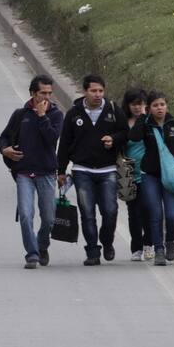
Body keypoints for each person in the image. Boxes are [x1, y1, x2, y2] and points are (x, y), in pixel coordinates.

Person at [56, 73, 127, 265]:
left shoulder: (113, 110)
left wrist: (114, 139)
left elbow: (125, 133)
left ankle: (107, 241)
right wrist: (61, 171)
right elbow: (64, 143)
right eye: (93, 91)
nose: (98, 94)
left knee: (110, 210)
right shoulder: (74, 113)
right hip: (82, 170)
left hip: (108, 170)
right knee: (87, 212)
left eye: (101, 91)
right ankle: (93, 251)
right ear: (85, 92)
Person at [127, 91, 174, 265]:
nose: (159, 108)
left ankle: (170, 242)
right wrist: (143, 118)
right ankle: (159, 249)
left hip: (171, 178)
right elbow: (133, 136)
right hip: (149, 176)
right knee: (155, 213)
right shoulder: (145, 124)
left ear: (167, 105)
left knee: (172, 215)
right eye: (155, 105)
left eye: (162, 104)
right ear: (149, 108)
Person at [0, 76, 63, 269]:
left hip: (46, 173)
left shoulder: (55, 115)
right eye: (42, 93)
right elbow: (4, 137)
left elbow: (52, 138)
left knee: (49, 218)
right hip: (24, 173)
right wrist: (5, 149)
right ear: (33, 93)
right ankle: (32, 253)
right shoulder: (21, 114)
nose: (47, 97)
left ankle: (42, 245)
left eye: (49, 93)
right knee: (26, 215)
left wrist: (43, 116)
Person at [120, 88, 152, 261]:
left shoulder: (150, 121)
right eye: (134, 104)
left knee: (148, 210)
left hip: (148, 174)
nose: (138, 108)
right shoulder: (123, 122)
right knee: (134, 212)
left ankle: (149, 245)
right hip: (129, 174)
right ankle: (136, 248)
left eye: (141, 104)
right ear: (128, 105)